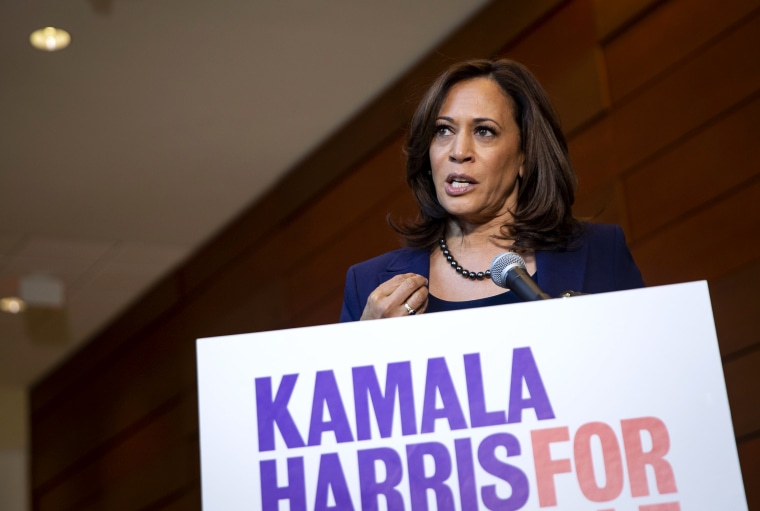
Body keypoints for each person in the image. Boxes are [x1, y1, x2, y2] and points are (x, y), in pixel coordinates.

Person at [340, 58, 643, 322]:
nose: (458, 151)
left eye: (484, 131)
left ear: (525, 155)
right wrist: (366, 342)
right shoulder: (367, 284)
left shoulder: (601, 252)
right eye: (443, 130)